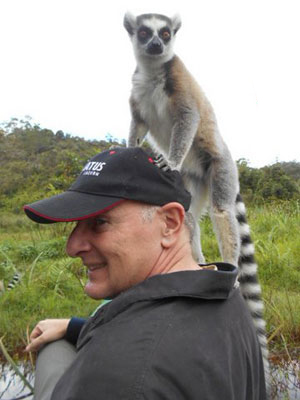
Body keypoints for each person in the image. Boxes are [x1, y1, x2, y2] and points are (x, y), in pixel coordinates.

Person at [24, 147, 267, 399]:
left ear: (169, 223)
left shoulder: (118, 375)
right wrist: (76, 328)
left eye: (100, 222)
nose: (72, 247)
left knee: (53, 351)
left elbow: (141, 358)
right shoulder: (224, 299)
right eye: (77, 224)